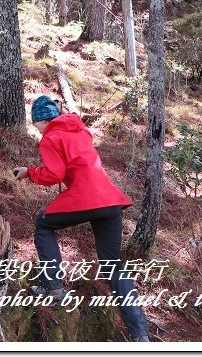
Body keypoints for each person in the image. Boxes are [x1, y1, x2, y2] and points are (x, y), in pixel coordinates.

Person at [12, 96, 151, 342]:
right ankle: (140, 335)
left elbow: (55, 173)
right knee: (112, 267)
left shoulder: (51, 137)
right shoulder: (80, 131)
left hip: (85, 197)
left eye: (36, 124)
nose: (36, 129)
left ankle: (53, 287)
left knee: (43, 224)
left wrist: (29, 173)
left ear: (43, 119)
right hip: (110, 201)